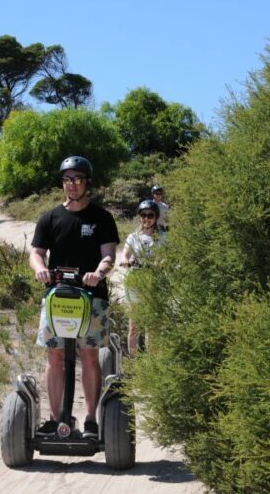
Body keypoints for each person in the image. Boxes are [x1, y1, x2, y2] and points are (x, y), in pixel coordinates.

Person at [29, 155, 119, 439]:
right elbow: (36, 253)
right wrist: (41, 269)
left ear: (87, 183)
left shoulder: (102, 218)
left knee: (89, 356)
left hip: (91, 298)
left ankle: (91, 419)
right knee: (54, 356)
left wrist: (98, 272)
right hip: (57, 297)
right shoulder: (50, 217)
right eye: (67, 179)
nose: (72, 184)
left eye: (77, 179)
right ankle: (57, 419)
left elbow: (109, 256)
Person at [118, 199, 166, 355]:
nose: (146, 218)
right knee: (134, 323)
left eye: (150, 215)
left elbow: (167, 255)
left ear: (156, 217)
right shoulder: (134, 236)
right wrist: (126, 261)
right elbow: (125, 254)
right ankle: (133, 363)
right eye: (143, 215)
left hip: (154, 281)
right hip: (136, 281)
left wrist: (162, 262)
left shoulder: (163, 236)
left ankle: (152, 363)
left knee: (153, 324)